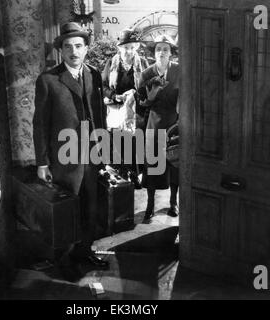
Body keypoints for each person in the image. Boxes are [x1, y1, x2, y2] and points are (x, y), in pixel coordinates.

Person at [33, 22, 109, 270]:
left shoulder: (94, 74)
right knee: (66, 210)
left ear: (86, 48)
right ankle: (60, 260)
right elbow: (40, 125)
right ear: (61, 51)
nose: (73, 51)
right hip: (64, 159)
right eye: (68, 47)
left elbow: (100, 114)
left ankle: (84, 251)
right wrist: (42, 162)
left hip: (92, 156)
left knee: (90, 207)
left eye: (78, 46)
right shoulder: (48, 80)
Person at [138, 35, 180, 221]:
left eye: (165, 49)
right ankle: (150, 205)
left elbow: (186, 95)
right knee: (153, 166)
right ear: (154, 53)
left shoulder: (179, 71)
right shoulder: (147, 73)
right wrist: (152, 94)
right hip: (154, 125)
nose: (161, 52)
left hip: (175, 124)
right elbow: (141, 103)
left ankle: (173, 202)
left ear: (171, 53)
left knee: (175, 164)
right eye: (158, 49)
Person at [102, 28, 148, 188]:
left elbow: (148, 86)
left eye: (131, 47)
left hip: (135, 111)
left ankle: (134, 174)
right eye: (125, 47)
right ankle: (123, 174)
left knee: (134, 143)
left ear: (135, 47)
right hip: (116, 109)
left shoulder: (142, 63)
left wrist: (135, 92)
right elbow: (103, 86)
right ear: (120, 48)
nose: (128, 51)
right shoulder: (112, 63)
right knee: (119, 143)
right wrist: (115, 96)